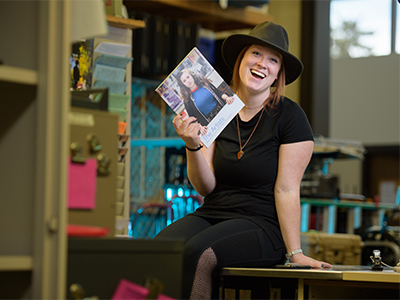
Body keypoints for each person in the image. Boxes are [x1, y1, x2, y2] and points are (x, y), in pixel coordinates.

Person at [154, 21, 332, 299]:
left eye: (273, 60)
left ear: (278, 75)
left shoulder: (290, 116)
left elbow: (286, 189)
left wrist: (295, 253)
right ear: (242, 60)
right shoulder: (218, 111)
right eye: (256, 54)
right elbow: (205, 187)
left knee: (197, 253)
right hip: (213, 214)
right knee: (156, 250)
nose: (263, 63)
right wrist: (192, 145)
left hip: (262, 225)